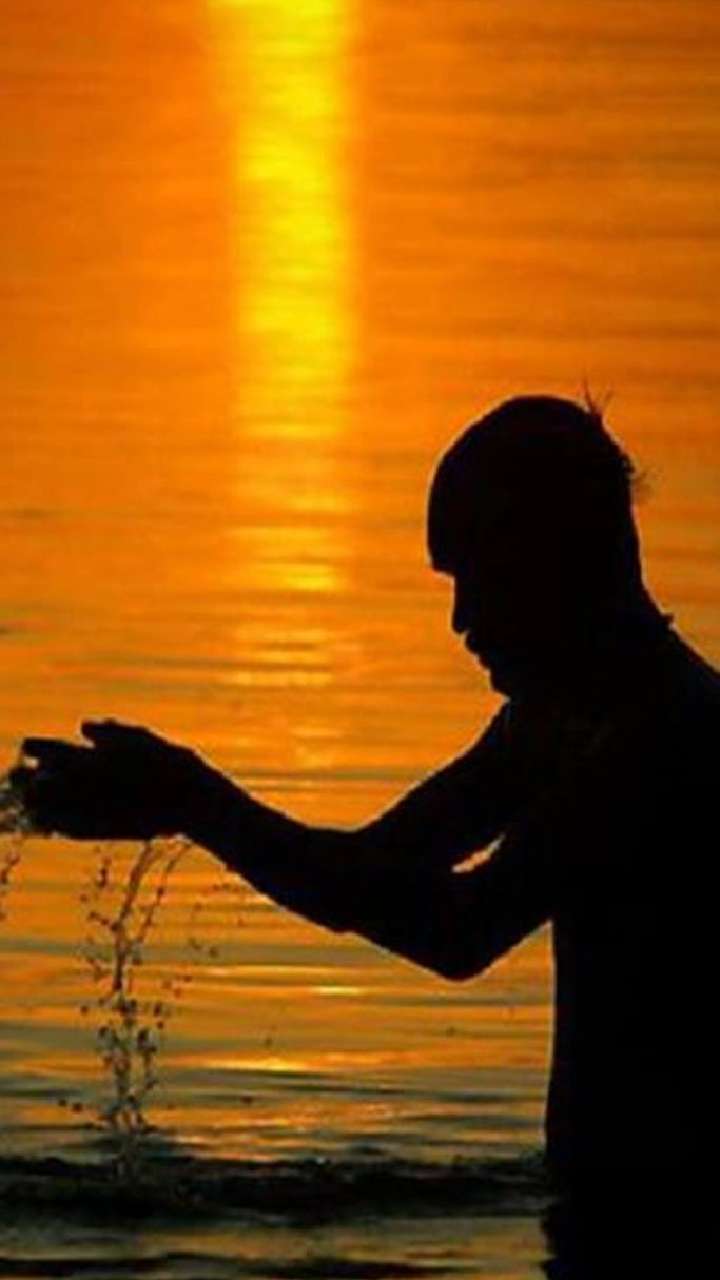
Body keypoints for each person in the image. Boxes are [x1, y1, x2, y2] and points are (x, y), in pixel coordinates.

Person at [12, 394, 719, 1191]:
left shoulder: (665, 739)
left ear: (554, 563)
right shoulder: (551, 724)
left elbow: (460, 930)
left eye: (478, 578)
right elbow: (375, 866)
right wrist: (178, 805)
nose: (461, 621)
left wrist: (196, 802)